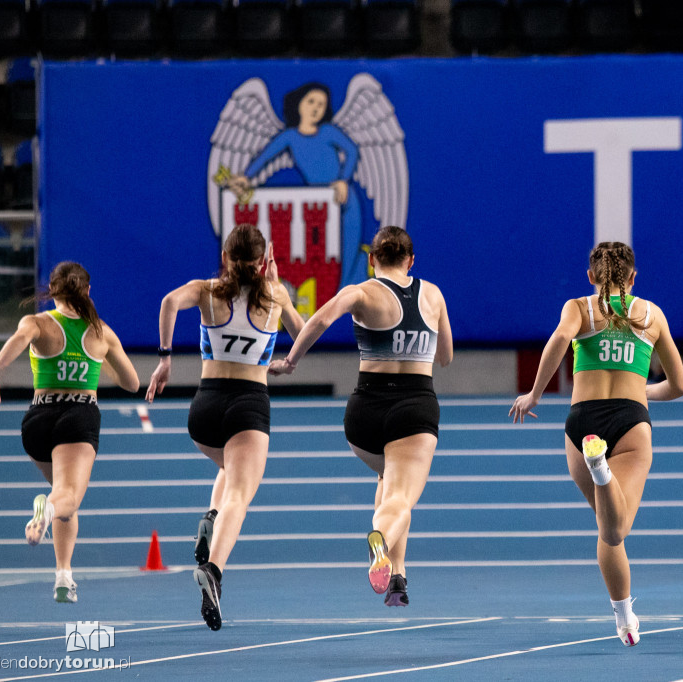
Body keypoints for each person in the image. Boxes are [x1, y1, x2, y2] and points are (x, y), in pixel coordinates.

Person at [510, 241, 683, 647]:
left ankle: (624, 616)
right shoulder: (650, 314)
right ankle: (602, 468)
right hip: (629, 422)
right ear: (633, 278)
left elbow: (557, 340)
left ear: (590, 276)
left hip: (582, 422)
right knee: (617, 527)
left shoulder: (579, 308)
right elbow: (680, 385)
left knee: (610, 531)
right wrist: (642, 393)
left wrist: (536, 393)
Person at [269, 225, 453, 607]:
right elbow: (446, 357)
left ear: (372, 260)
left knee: (390, 481)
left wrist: (290, 362)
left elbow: (319, 320)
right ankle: (380, 540)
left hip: (363, 415)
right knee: (401, 498)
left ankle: (398, 575)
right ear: (411, 260)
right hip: (413, 410)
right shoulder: (432, 295)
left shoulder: (360, 292)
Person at [145, 224, 304, 631]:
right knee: (240, 492)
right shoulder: (276, 295)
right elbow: (303, 334)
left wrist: (165, 359)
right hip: (248, 404)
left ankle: (211, 516)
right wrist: (288, 361)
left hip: (205, 407)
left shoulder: (206, 290)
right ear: (264, 261)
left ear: (225, 259)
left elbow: (167, 302)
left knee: (230, 470)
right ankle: (213, 570)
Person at [0, 262, 139, 603]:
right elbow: (131, 383)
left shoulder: (36, 323)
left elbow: (17, 341)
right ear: (88, 292)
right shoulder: (101, 333)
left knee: (63, 494)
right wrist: (100, 360)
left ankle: (64, 576)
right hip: (78, 416)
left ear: (51, 290)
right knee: (66, 497)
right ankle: (45, 511)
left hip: (37, 418)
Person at [228, 82, 365, 288]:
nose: (316, 107)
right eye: (311, 101)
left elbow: (352, 151)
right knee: (324, 255)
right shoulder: (290, 137)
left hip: (343, 200)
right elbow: (265, 157)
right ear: (299, 104)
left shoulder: (328, 131)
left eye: (321, 104)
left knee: (347, 253)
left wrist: (343, 180)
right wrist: (246, 178)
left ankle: (348, 291)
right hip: (319, 205)